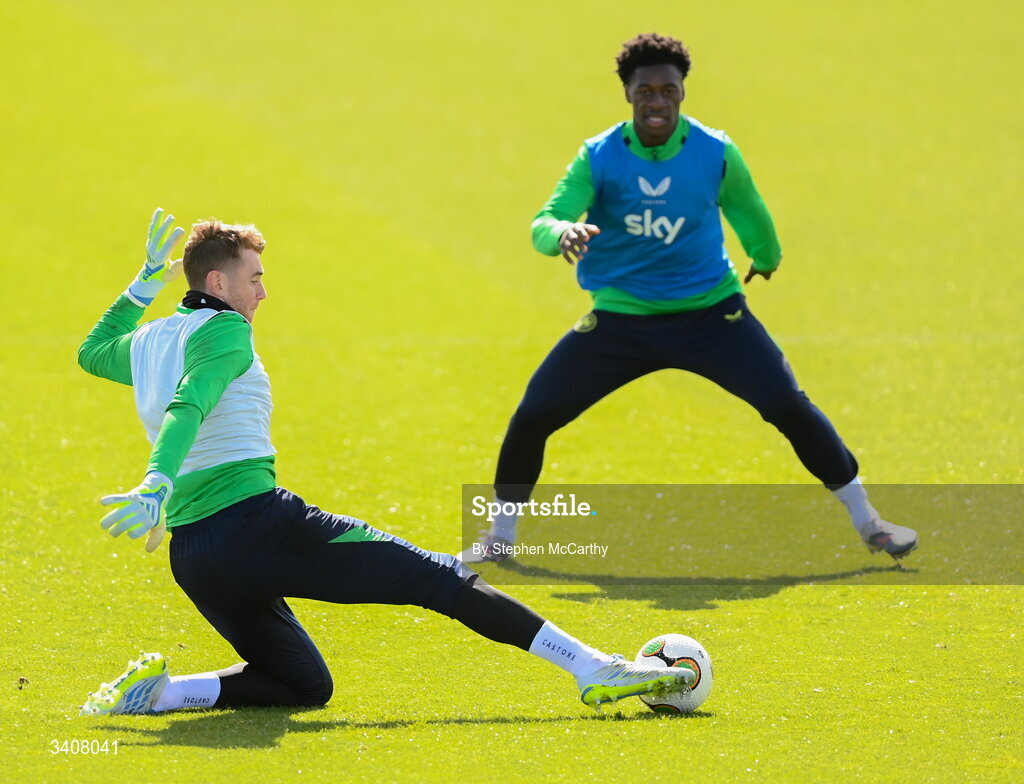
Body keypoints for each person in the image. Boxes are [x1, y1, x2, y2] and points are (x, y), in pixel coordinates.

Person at [76, 209, 695, 716]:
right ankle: (594, 668)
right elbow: (190, 405)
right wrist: (156, 481)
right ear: (218, 285)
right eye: (254, 277)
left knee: (303, 686)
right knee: (443, 579)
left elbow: (92, 351)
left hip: (198, 556)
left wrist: (140, 287)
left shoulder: (150, 340)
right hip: (259, 526)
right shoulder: (225, 333)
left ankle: (159, 695)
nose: (264, 290)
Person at [461, 33, 917, 564]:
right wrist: (563, 231)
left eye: (669, 91)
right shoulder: (600, 156)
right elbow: (547, 218)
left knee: (786, 405)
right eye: (645, 92)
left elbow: (749, 209)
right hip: (621, 321)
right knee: (534, 414)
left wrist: (765, 255)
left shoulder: (715, 151)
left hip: (711, 317)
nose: (658, 103)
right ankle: (500, 538)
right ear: (628, 94)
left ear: (683, 92)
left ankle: (870, 522)